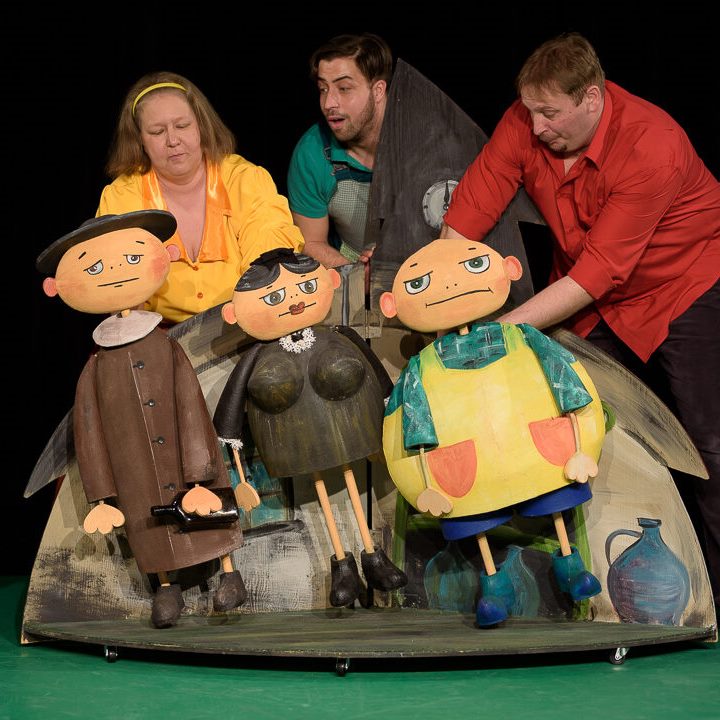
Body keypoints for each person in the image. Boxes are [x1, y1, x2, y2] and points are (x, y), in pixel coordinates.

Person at [441, 32, 720, 609]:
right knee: (562, 417)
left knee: (707, 444)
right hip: (589, 294)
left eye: (549, 113)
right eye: (530, 111)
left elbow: (601, 271)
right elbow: (472, 205)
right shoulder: (528, 120)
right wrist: (443, 292)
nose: (536, 126)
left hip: (681, 285)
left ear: (591, 97)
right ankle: (583, 583)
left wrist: (503, 330)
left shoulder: (653, 144)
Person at [36, 210, 247, 629]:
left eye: (131, 259)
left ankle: (230, 574)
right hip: (133, 469)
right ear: (55, 288)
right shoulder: (96, 368)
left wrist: (200, 473)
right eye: (96, 269)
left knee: (207, 513)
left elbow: (191, 405)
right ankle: (166, 587)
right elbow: (90, 434)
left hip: (186, 458)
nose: (116, 272)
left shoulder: (166, 347)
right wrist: (101, 496)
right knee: (150, 524)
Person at [379, 239, 605, 626]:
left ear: (511, 269)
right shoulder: (421, 367)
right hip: (465, 465)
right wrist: (425, 479)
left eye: (473, 267)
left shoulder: (523, 337)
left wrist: (579, 432)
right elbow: (412, 419)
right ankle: (495, 586)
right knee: (475, 519)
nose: (450, 285)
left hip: (536, 448)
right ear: (391, 305)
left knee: (554, 497)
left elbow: (564, 378)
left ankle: (570, 566)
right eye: (420, 284)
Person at [213, 248, 407, 607]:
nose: (294, 301)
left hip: (350, 431)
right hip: (294, 442)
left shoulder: (339, 334)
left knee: (353, 487)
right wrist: (236, 459)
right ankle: (342, 567)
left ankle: (373, 557)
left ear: (330, 280)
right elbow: (231, 408)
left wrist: (390, 419)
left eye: (304, 287)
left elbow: (379, 378)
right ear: (234, 313)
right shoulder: (258, 356)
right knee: (322, 497)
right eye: (274, 298)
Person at [97, 71, 305, 324]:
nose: (173, 140)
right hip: (157, 331)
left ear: (201, 126)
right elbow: (119, 290)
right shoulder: (121, 197)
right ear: (139, 139)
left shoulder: (244, 179)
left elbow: (269, 259)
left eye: (182, 126)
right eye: (157, 131)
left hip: (247, 320)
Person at [287, 33, 392, 268]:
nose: (328, 103)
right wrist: (357, 274)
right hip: (354, 265)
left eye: (344, 88)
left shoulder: (424, 137)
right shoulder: (312, 153)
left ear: (378, 90)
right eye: (323, 89)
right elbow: (311, 242)